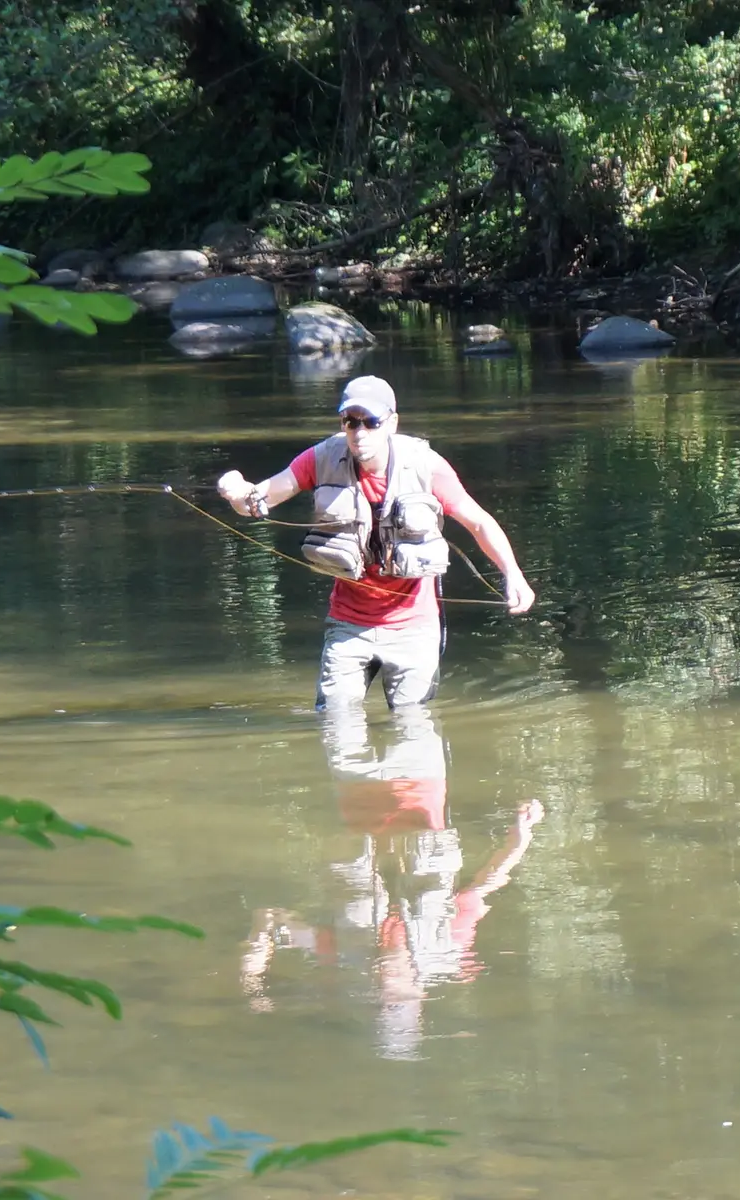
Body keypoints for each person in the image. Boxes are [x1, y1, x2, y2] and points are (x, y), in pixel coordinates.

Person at [239, 706, 543, 1059]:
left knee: (340, 709)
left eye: (379, 1001)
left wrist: (251, 980)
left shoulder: (340, 951)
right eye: (396, 999)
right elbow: (487, 883)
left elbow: (270, 917)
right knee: (410, 705)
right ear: (419, 992)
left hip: (357, 786)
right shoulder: (447, 942)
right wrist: (521, 836)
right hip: (421, 782)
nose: (385, 988)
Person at [217, 375, 535, 710]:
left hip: (414, 626)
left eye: (371, 422)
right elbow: (258, 502)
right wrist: (237, 492)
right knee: (336, 727)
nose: (359, 433)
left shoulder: (426, 466)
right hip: (348, 624)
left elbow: (479, 522)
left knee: (414, 733)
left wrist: (513, 575)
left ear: (392, 423)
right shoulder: (320, 459)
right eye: (350, 422)